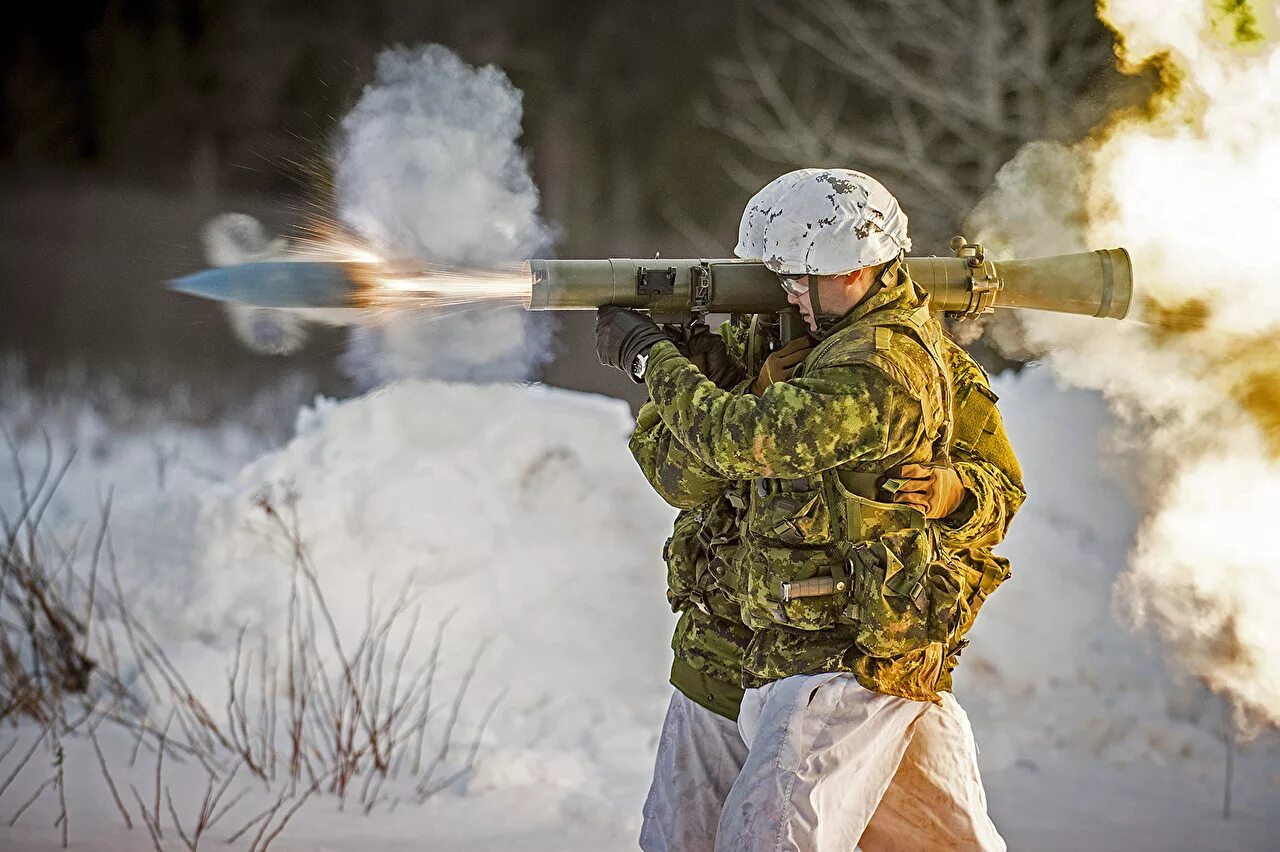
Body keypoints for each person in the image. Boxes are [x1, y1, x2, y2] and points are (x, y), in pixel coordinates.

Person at [596, 169, 1024, 851]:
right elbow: (683, 476)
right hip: (737, 635)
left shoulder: (889, 365)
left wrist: (656, 364)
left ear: (853, 271)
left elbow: (745, 439)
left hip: (846, 648)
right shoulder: (775, 336)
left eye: (799, 275)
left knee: (772, 836)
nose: (785, 290)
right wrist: (703, 372)